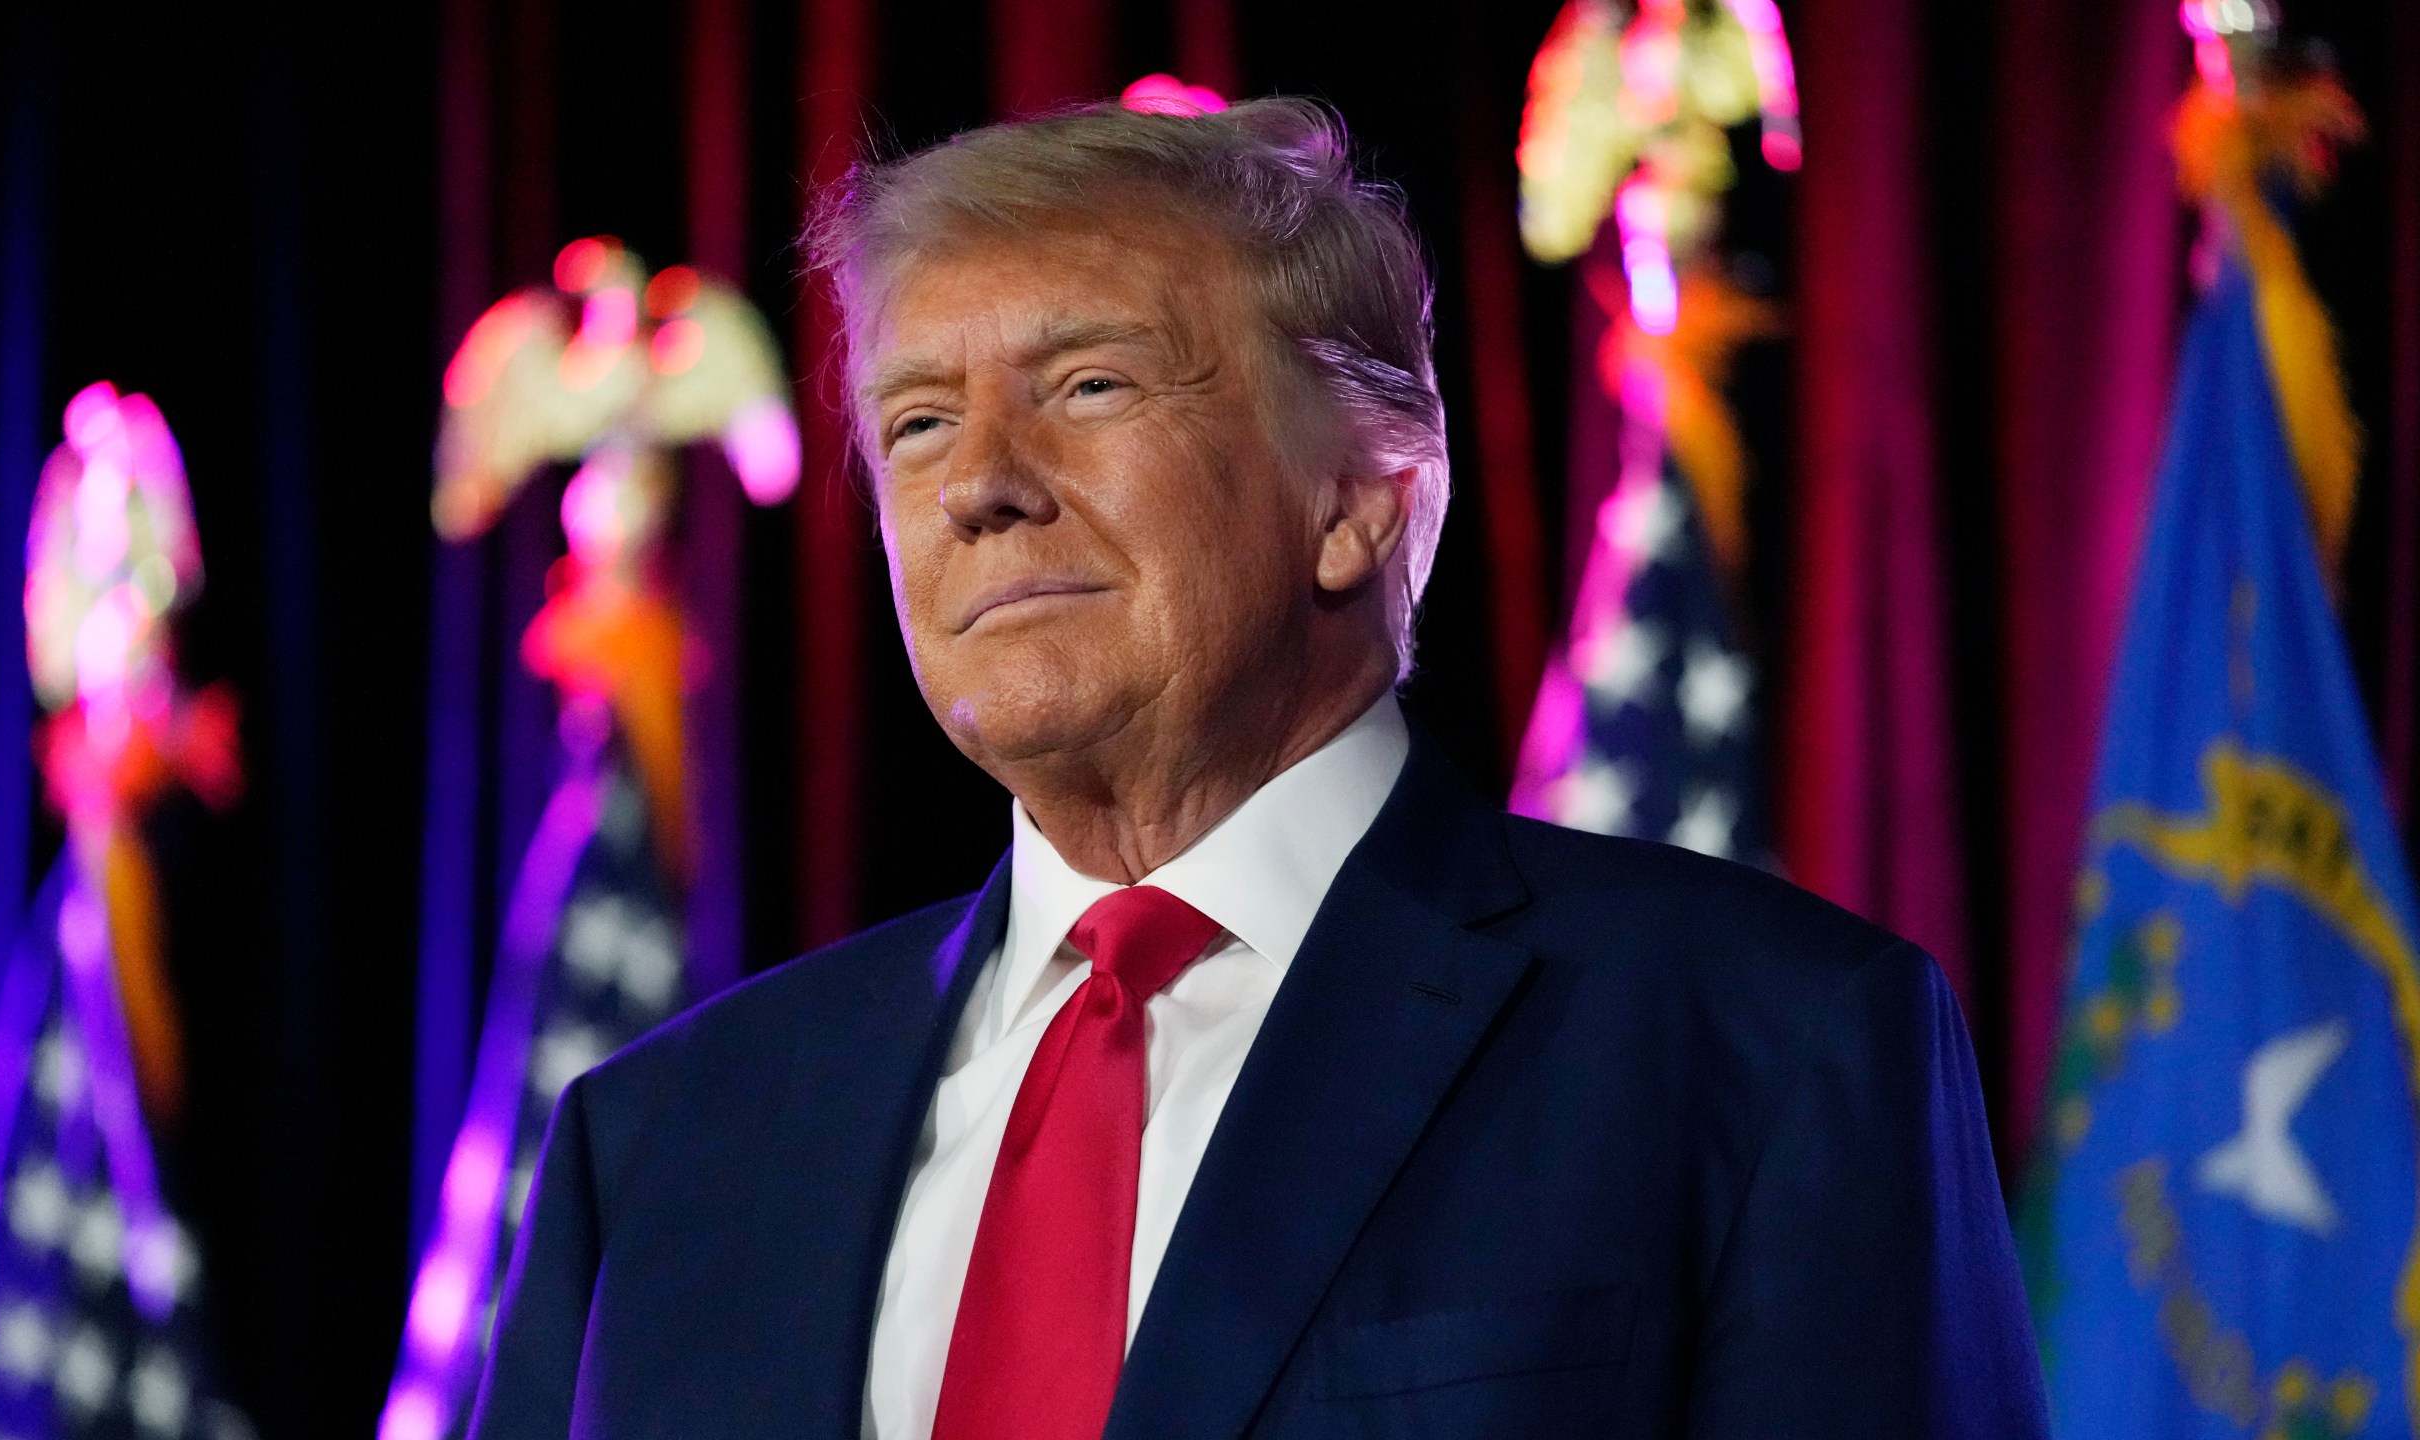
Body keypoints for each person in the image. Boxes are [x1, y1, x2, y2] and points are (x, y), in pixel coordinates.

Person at [469, 97, 2047, 1440]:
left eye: (1089, 386)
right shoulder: (664, 1147)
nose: (982, 489)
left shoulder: (1767, 1042)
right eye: (922, 423)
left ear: (1361, 496)